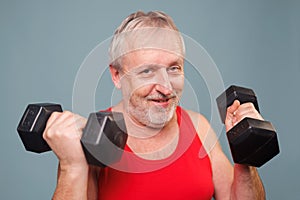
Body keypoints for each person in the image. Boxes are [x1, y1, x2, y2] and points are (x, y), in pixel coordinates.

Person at [43, 11, 266, 200]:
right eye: (147, 71)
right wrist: (71, 167)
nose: (166, 88)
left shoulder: (199, 127)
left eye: (174, 68)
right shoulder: (93, 140)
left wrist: (245, 158)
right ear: (117, 75)